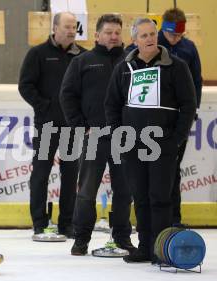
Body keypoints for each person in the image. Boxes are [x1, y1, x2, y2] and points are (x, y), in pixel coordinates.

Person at [105, 18, 196, 263]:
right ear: (134, 40)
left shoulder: (176, 66)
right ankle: (145, 246)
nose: (150, 39)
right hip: (132, 144)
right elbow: (112, 104)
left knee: (160, 197)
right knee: (141, 197)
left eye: (152, 34)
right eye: (143, 35)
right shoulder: (123, 67)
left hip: (162, 144)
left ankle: (161, 249)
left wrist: (176, 138)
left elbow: (188, 104)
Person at [60, 14, 135, 255]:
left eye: (117, 32)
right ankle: (81, 239)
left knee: (124, 191)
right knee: (86, 191)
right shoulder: (82, 62)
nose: (113, 36)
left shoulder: (132, 61)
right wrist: (81, 126)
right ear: (97, 35)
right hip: (94, 136)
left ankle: (123, 239)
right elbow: (67, 95)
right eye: (108, 32)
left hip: (124, 137)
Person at [125, 8, 202, 224]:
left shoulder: (188, 49)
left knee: (172, 173)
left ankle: (173, 219)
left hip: (174, 125)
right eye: (171, 35)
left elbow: (196, 80)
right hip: (143, 127)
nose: (176, 39)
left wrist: (191, 113)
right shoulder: (148, 47)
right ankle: (148, 228)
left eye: (180, 35)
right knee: (145, 179)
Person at [18, 12, 85, 238]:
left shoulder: (82, 56)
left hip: (72, 127)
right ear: (54, 28)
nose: (71, 30)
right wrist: (44, 106)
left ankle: (67, 223)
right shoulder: (38, 54)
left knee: (70, 175)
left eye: (74, 26)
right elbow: (26, 86)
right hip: (47, 125)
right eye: (66, 26)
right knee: (41, 174)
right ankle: (39, 222)